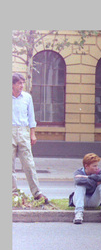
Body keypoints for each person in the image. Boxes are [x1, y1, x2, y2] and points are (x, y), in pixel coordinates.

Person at [12, 73, 48, 204]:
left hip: (23, 131)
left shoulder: (27, 97)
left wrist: (33, 133)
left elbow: (31, 117)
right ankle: (12, 192)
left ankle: (37, 192)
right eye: (19, 83)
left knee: (29, 163)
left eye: (23, 83)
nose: (22, 85)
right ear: (12, 84)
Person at [72, 153, 101, 225]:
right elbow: (78, 181)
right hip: (81, 200)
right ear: (86, 166)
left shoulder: (98, 172)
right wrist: (96, 181)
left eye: (97, 166)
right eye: (94, 166)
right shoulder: (79, 172)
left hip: (93, 201)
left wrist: (88, 177)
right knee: (80, 186)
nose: (97, 168)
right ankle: (78, 214)